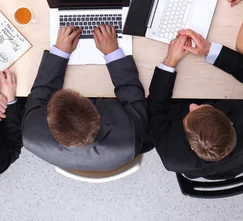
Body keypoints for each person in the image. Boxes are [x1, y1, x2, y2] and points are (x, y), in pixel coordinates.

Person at [147, 29, 243, 179]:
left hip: (218, 167)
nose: (192, 105)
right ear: (230, 123)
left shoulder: (171, 156)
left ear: (192, 147)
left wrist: (170, 61)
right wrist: (210, 50)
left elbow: (154, 109)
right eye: (201, 107)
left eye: (190, 113)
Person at [22, 25, 148, 171]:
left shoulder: (31, 135)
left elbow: (41, 92)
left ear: (49, 120)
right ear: (98, 114)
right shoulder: (130, 137)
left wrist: (60, 53)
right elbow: (132, 95)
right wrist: (112, 53)